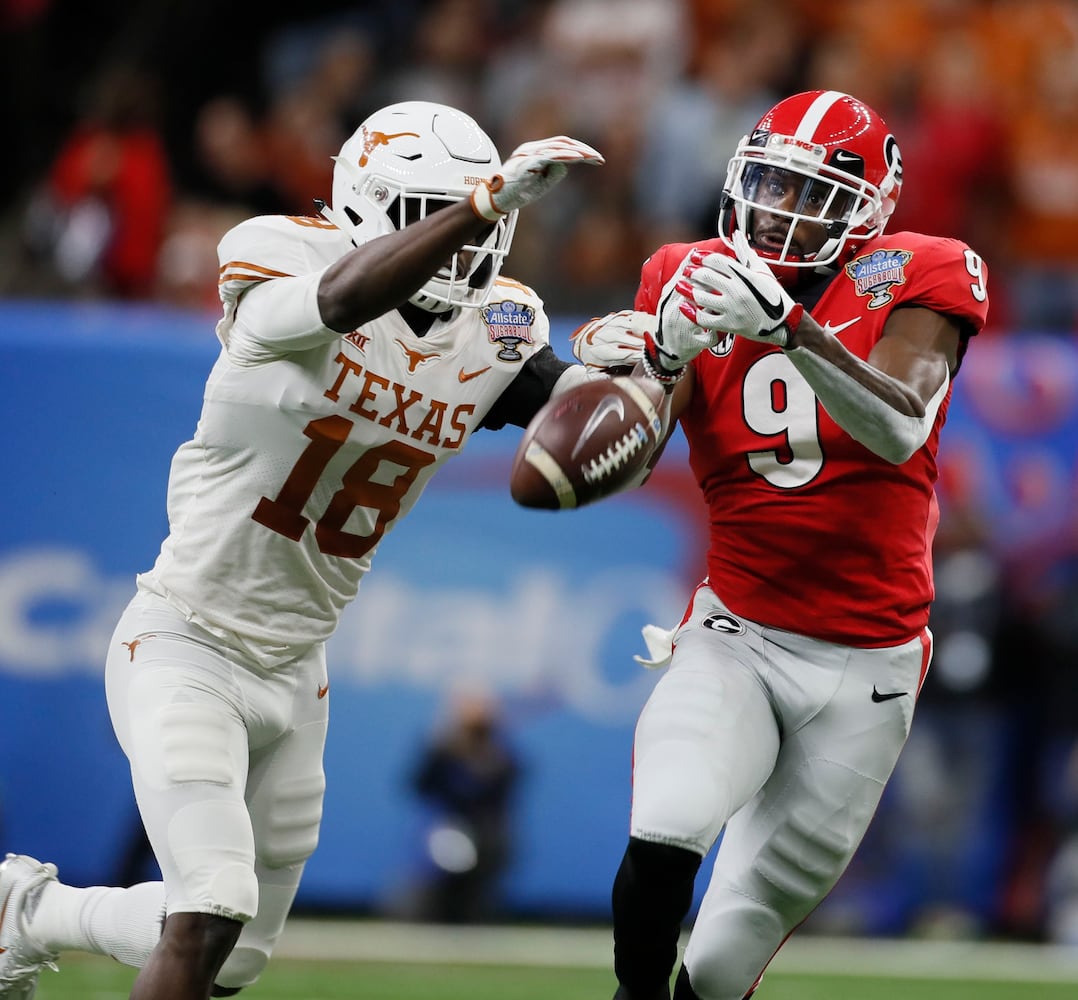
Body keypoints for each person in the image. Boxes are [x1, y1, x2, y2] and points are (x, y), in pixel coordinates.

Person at [0, 100, 605, 1000]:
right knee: (207, 908)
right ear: (367, 203)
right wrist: (475, 205)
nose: (468, 243)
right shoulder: (287, 257)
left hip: (296, 667)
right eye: (430, 213)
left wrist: (643, 361)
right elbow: (339, 301)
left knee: (234, 956)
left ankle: (27, 914)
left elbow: (588, 435)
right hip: (186, 639)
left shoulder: (494, 325)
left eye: (487, 215)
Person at [571, 89, 990, 1000]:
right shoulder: (682, 272)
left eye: (810, 197)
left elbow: (899, 427)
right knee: (668, 823)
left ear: (870, 213)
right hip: (740, 631)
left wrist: (788, 329)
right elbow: (630, 463)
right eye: (768, 186)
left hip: (867, 666)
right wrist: (654, 364)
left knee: (722, 965)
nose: (779, 213)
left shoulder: (922, 270)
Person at [401, 687, 522, 923]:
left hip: (487, 835)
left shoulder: (501, 757)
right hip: (448, 830)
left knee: (476, 895)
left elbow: (494, 794)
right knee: (438, 888)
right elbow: (421, 786)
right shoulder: (442, 752)